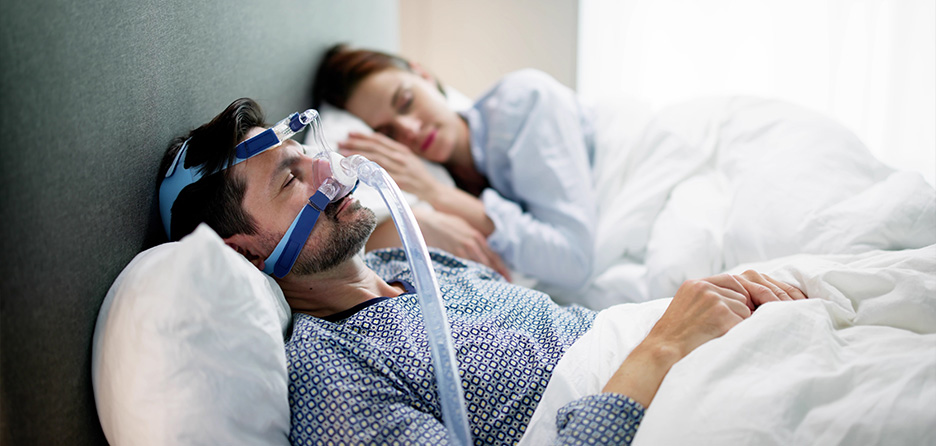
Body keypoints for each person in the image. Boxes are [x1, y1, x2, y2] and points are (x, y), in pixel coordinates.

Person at [158, 98, 807, 445]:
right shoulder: (329, 376)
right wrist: (665, 343)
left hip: (700, 351)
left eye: (309, 153)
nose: (329, 171)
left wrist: (700, 311)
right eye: (293, 179)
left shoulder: (407, 262)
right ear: (244, 252)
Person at [312, 44, 598, 291]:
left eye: (406, 102)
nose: (410, 129)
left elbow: (575, 261)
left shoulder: (524, 103)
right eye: (388, 133)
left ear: (423, 74)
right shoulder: (449, 174)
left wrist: (434, 191)